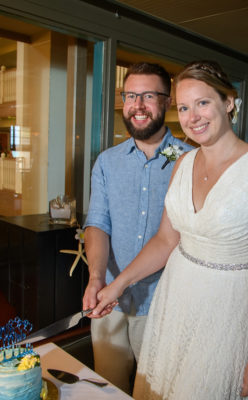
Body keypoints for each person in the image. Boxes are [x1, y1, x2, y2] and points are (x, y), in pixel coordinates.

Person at [92, 60, 248, 399]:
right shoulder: (183, 163)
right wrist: (117, 285)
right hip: (174, 303)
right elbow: (165, 240)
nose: (193, 117)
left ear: (228, 102)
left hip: (228, 310)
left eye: (203, 102)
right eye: (184, 107)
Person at [82, 62, 192, 393]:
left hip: (164, 304)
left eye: (148, 96)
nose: (138, 105)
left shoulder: (189, 160)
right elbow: (98, 223)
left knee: (158, 392)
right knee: (108, 389)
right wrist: (96, 277)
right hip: (108, 300)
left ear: (168, 102)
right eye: (130, 95)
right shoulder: (107, 161)